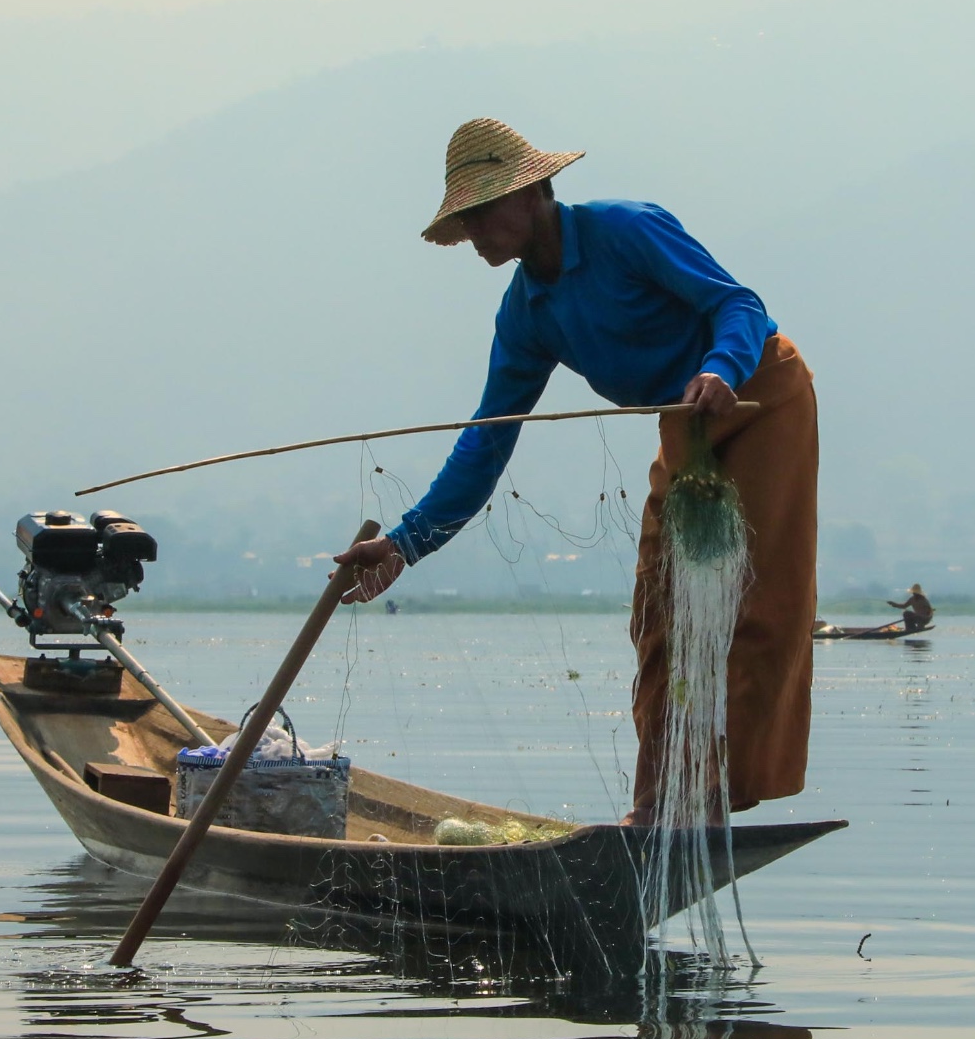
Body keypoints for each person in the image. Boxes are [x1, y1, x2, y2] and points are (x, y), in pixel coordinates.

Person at [332, 118, 818, 824]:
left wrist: (720, 367)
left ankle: (716, 796)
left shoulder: (627, 230)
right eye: (464, 219)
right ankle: (659, 808)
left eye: (481, 211)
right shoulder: (527, 313)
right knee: (660, 609)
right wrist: (405, 543)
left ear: (533, 194)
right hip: (687, 426)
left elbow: (737, 305)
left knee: (753, 604)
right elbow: (486, 443)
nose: (474, 233)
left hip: (756, 395)